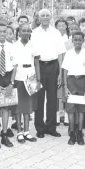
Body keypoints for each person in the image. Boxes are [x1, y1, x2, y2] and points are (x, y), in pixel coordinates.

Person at [31, 9, 66, 138]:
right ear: (39, 18)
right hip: (39, 66)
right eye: (42, 16)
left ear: (50, 18)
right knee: (39, 99)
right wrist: (34, 72)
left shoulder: (56, 33)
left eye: (47, 15)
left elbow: (61, 54)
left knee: (52, 99)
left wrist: (60, 74)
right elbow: (32, 54)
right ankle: (39, 128)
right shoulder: (34, 33)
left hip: (53, 67)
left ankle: (51, 127)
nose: (45, 17)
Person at [62, 31, 85, 146]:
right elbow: (65, 70)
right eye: (76, 40)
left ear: (83, 41)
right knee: (71, 109)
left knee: (81, 110)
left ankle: (79, 132)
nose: (78, 42)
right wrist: (65, 87)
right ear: (72, 41)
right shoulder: (68, 53)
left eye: (80, 40)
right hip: (71, 82)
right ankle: (72, 132)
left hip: (83, 81)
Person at [12, 24, 40, 144]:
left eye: (28, 31)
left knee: (28, 106)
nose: (26, 33)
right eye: (24, 31)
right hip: (18, 76)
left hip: (31, 77)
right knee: (18, 106)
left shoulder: (34, 45)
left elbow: (37, 63)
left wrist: (38, 79)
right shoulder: (14, 46)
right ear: (19, 32)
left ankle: (27, 131)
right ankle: (19, 132)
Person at [55, 19, 71, 127]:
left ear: (66, 27)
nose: (61, 27)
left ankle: (65, 115)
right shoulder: (54, 38)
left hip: (67, 68)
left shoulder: (69, 40)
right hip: (56, 66)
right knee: (57, 92)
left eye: (63, 25)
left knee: (66, 91)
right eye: (59, 25)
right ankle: (57, 114)